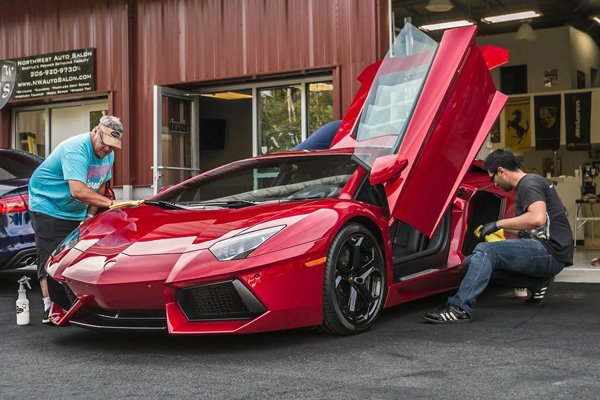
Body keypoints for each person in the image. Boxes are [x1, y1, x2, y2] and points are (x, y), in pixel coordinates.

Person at [423, 149, 573, 323]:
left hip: (549, 252)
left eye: (493, 177)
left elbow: (537, 218)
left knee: (486, 251)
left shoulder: (528, 183)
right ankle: (536, 284)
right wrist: (497, 230)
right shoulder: (532, 182)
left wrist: (497, 223)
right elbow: (537, 226)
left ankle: (459, 308)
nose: (494, 184)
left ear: (502, 171)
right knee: (469, 263)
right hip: (550, 253)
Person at [28, 115, 124, 324]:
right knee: (51, 255)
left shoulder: (108, 155)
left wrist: (89, 216)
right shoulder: (76, 149)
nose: (107, 150)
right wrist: (110, 204)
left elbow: (99, 186)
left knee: (80, 254)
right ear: (96, 131)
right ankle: (49, 310)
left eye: (112, 147)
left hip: (77, 209)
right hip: (48, 204)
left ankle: (77, 302)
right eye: (105, 144)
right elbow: (78, 191)